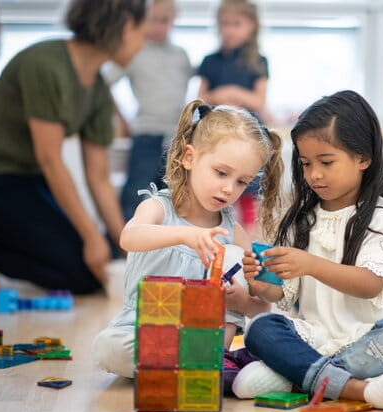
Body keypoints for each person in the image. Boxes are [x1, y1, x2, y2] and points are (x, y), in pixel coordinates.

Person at [238, 91, 383, 409]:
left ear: (363, 158)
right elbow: (282, 294)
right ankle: (359, 389)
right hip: (313, 338)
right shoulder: (301, 219)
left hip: (368, 341)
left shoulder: (378, 214)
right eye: (306, 163)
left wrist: (310, 264)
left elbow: (370, 285)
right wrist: (260, 284)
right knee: (259, 327)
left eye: (326, 162)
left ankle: (300, 375)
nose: (314, 174)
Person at [0, 0, 147, 293]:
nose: (142, 44)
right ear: (126, 26)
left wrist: (128, 249)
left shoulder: (97, 90)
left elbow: (100, 179)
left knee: (98, 261)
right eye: (143, 33)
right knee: (80, 274)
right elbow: (50, 159)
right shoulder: (46, 64)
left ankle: (1, 239)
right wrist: (91, 239)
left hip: (28, 179)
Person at [92, 99, 284, 391]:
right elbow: (128, 238)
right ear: (189, 157)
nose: (228, 189)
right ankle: (203, 367)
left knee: (236, 254)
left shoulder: (231, 229)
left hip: (202, 336)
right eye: (221, 173)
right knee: (107, 348)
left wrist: (240, 301)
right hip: (144, 328)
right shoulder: (159, 207)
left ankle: (195, 364)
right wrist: (184, 236)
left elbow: (264, 307)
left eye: (242, 182)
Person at [104, 0, 192, 221]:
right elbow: (103, 82)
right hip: (146, 133)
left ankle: (165, 246)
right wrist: (121, 118)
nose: (158, 26)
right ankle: (122, 246)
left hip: (176, 137)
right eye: (153, 20)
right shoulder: (135, 51)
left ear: (174, 20)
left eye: (164, 20)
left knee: (171, 195)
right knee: (136, 191)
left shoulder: (180, 55)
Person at [197, 0, 270, 233]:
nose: (228, 30)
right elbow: (200, 99)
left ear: (252, 26)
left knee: (246, 187)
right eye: (224, 24)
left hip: (247, 136)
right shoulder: (211, 61)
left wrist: (234, 93)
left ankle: (246, 239)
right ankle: (215, 232)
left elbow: (259, 101)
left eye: (236, 24)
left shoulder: (258, 62)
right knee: (218, 183)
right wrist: (219, 95)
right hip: (218, 136)